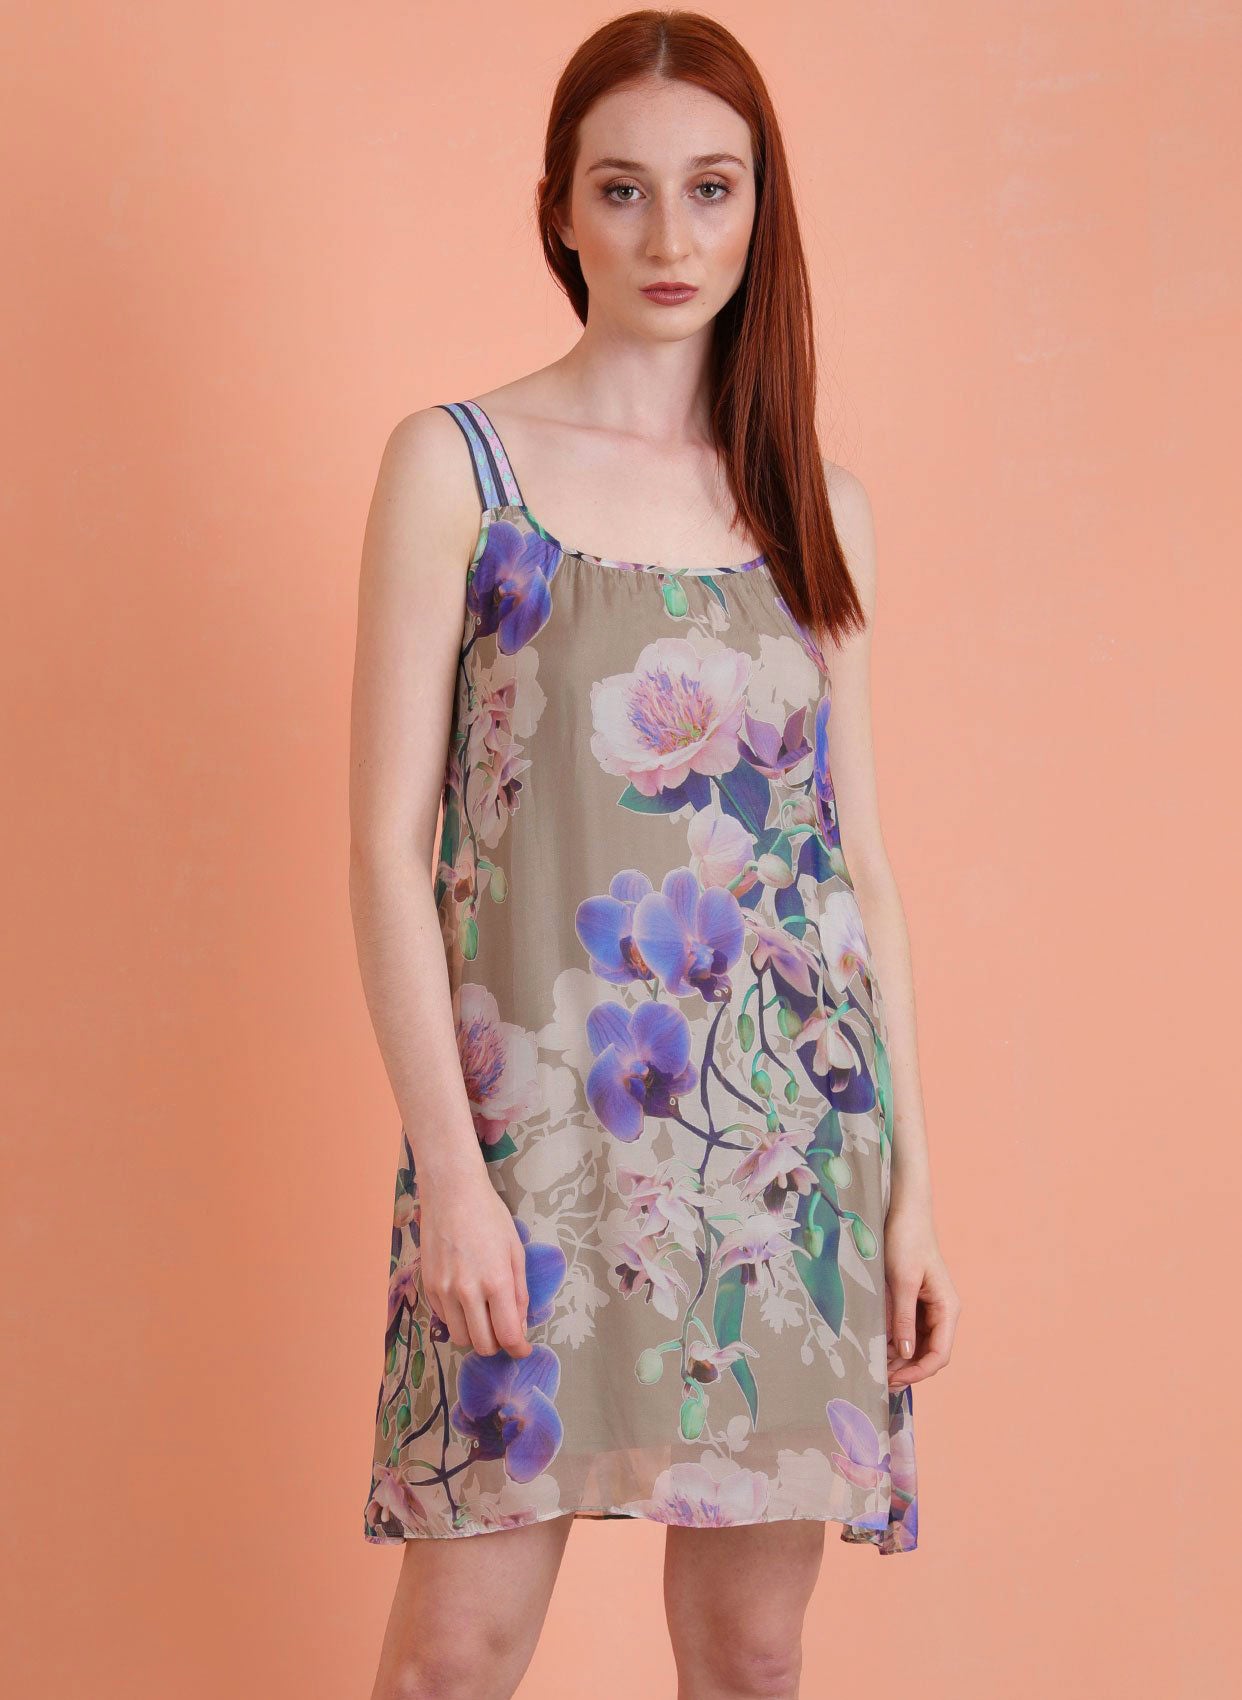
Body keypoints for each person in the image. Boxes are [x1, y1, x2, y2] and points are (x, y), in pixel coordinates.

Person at [349, 10, 961, 1698]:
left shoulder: (811, 503)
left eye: (711, 187)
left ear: (761, 206)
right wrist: (451, 1180)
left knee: (751, 1656)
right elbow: (386, 849)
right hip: (529, 1156)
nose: (669, 236)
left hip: (785, 1159)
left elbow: (856, 865)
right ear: (558, 209)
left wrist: (913, 1190)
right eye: (621, 190)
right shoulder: (455, 467)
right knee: (454, 1661)